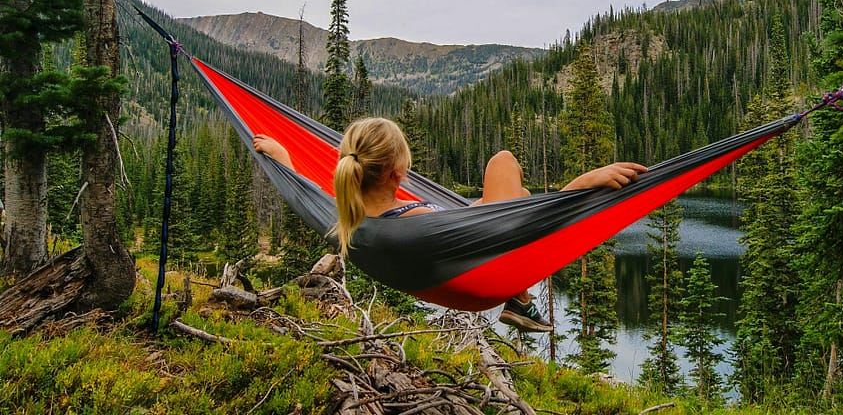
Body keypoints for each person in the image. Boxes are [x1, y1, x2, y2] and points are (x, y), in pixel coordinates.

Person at [253, 117, 647, 333]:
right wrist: (581, 186)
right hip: (483, 277)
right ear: (396, 173)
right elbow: (518, 233)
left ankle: (522, 300)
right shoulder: (416, 225)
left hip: (454, 256)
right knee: (503, 161)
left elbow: (306, 195)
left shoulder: (346, 217)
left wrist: (284, 160)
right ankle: (520, 299)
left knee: (520, 192)